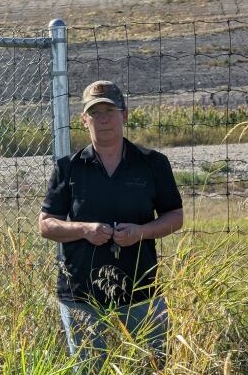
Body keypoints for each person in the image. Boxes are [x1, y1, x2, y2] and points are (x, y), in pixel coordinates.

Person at [38, 80, 183, 371]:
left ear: (124, 115)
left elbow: (175, 216)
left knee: (154, 366)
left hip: (141, 288)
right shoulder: (68, 168)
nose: (103, 119)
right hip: (81, 293)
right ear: (84, 120)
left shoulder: (153, 163)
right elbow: (46, 225)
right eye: (95, 113)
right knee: (92, 368)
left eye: (110, 111)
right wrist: (83, 230)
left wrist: (141, 232)